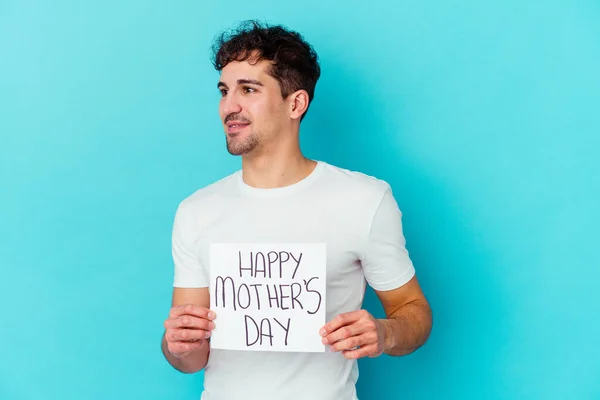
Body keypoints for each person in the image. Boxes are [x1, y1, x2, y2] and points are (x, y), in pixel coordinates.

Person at [161, 20, 433, 400]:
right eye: (224, 91)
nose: (229, 106)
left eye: (248, 89)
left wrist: (384, 332)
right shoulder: (196, 211)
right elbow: (190, 358)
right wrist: (178, 344)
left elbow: (414, 311)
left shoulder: (363, 199)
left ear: (296, 103)